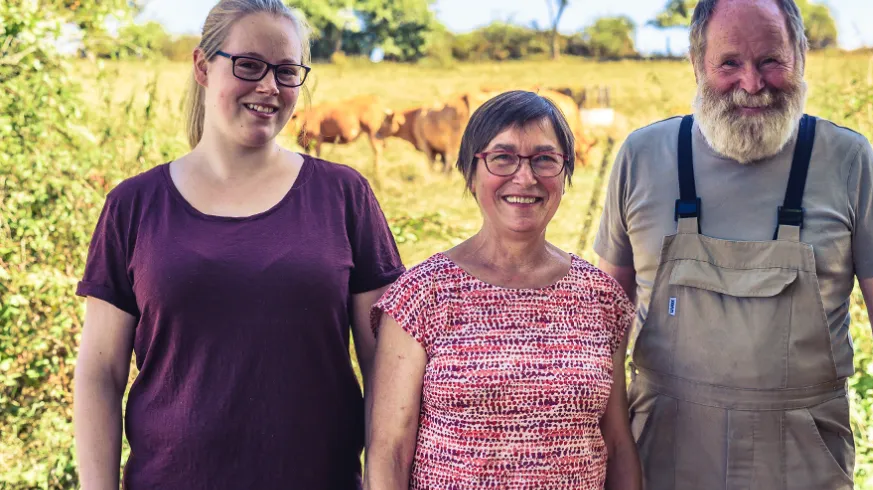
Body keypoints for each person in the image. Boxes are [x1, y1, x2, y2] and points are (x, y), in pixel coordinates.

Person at [594, 0, 873, 488]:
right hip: (662, 457)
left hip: (805, 462)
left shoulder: (847, 160)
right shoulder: (642, 157)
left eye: (771, 61)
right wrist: (605, 456)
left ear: (801, 55)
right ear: (696, 63)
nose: (752, 84)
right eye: (729, 62)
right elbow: (604, 317)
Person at [72, 1, 404, 488]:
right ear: (203, 67)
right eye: (249, 65)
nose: (269, 87)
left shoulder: (343, 195)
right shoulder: (133, 205)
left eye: (287, 72)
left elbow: (386, 366)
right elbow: (100, 372)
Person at [364, 90, 643, 490]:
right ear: (471, 172)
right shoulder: (422, 295)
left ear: (565, 173)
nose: (525, 177)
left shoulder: (600, 297)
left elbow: (616, 444)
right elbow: (389, 451)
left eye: (545, 159)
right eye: (503, 157)